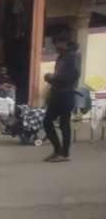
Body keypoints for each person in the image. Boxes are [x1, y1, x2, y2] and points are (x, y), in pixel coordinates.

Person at [42, 33, 81, 162]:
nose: (55, 47)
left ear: (64, 43)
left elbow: (73, 76)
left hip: (66, 94)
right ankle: (57, 150)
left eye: (57, 44)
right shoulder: (61, 57)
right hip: (56, 93)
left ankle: (64, 153)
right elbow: (59, 75)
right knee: (47, 122)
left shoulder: (73, 57)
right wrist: (51, 79)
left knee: (64, 124)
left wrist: (55, 78)